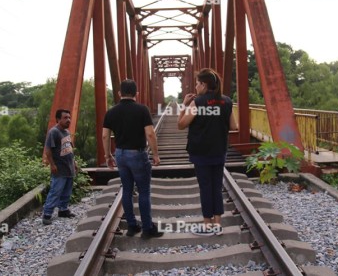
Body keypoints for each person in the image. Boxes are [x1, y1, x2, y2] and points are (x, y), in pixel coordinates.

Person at [178, 68, 238, 236]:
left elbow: (181, 125)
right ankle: (218, 225)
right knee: (217, 187)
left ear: (204, 84)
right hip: (219, 150)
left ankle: (207, 225)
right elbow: (234, 126)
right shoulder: (226, 101)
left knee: (205, 187)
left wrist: (184, 106)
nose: (196, 87)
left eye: (197, 83)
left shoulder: (196, 103)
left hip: (200, 152)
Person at [102, 79, 163, 239]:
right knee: (143, 191)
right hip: (137, 154)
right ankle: (148, 228)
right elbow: (150, 133)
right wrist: (155, 154)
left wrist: (108, 155)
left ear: (119, 93)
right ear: (136, 93)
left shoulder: (111, 112)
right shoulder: (142, 110)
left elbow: (105, 136)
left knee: (127, 190)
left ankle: (131, 226)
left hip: (120, 154)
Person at [42, 109, 78, 225]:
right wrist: (52, 164)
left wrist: (74, 162)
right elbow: (48, 149)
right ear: (58, 119)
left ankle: (63, 210)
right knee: (55, 191)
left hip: (69, 167)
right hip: (59, 168)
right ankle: (47, 214)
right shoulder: (54, 132)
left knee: (67, 191)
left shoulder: (66, 132)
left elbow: (69, 148)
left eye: (69, 117)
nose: (68, 120)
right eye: (65, 118)